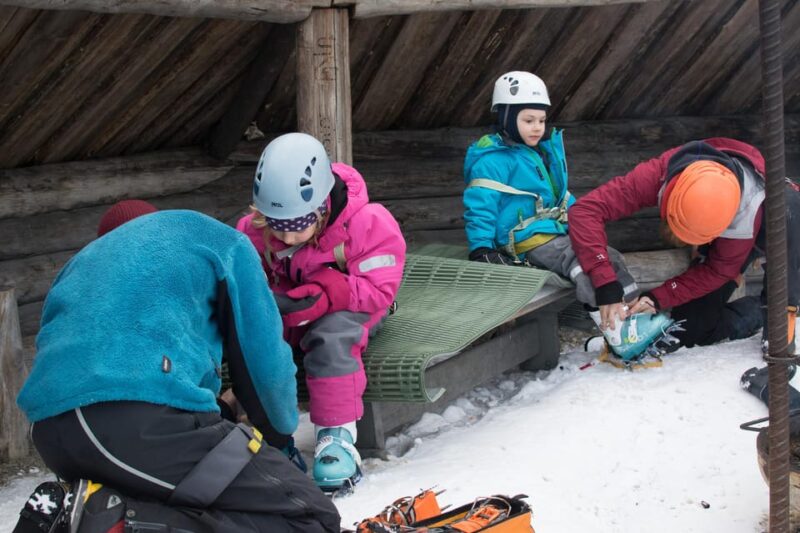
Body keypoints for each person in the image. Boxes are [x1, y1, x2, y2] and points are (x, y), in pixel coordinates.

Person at [14, 201, 340, 533]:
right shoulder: (221, 241)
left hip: (52, 432)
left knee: (171, 502)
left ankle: (71, 520)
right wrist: (277, 439)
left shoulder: (79, 264)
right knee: (310, 516)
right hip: (135, 419)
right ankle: (117, 525)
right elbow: (266, 367)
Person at [462, 71, 675, 361]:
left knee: (605, 254)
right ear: (507, 118)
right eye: (528, 120)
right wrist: (481, 248)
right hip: (526, 239)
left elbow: (559, 197)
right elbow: (481, 205)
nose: (537, 127)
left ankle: (632, 319)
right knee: (579, 262)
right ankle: (615, 332)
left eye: (541, 120)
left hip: (553, 229)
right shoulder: (493, 161)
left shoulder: (537, 153)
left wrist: (580, 219)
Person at [236, 132, 406, 492]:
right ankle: (268, 433)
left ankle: (337, 435)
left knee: (331, 338)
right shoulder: (256, 233)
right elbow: (247, 277)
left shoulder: (367, 224)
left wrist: (332, 293)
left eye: (298, 226)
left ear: (323, 205)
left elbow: (380, 288)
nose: (290, 238)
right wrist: (269, 300)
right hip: (292, 311)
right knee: (254, 339)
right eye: (278, 227)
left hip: (353, 307)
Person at [568, 137, 800, 356]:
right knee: (691, 327)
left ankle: (780, 312)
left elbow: (719, 271)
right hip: (727, 238)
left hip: (773, 224)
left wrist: (660, 296)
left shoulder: (747, 208)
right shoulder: (658, 174)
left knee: (788, 213)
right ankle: (756, 310)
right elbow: (585, 211)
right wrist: (607, 283)